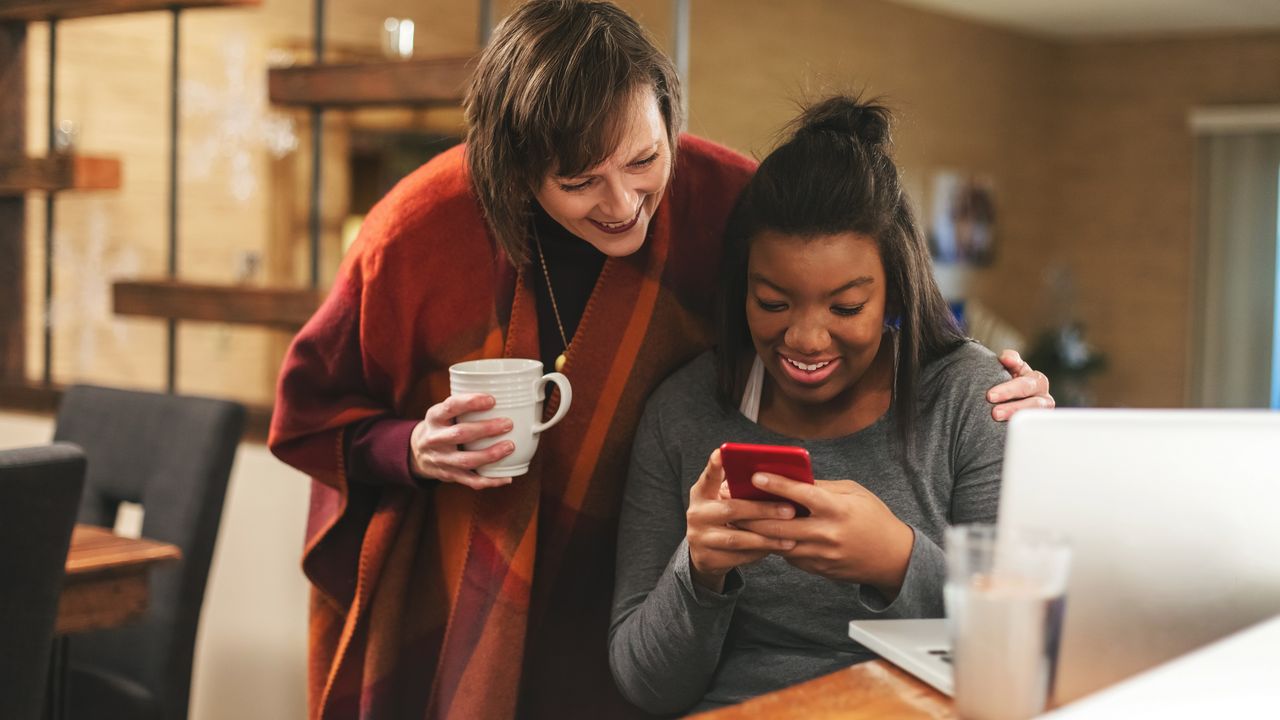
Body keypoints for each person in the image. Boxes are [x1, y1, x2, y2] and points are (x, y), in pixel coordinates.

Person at [268, 2, 1052, 718]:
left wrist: (1006, 394)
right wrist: (410, 447)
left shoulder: (723, 199)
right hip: (495, 558)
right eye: (579, 181)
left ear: (670, 119)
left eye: (643, 159)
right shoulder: (421, 231)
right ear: (512, 171)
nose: (621, 203)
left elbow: (851, 262)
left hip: (642, 587)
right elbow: (311, 412)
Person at [609, 96, 1009, 714]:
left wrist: (897, 559)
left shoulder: (968, 400)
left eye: (846, 308)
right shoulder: (684, 411)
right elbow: (645, 687)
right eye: (772, 302)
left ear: (895, 290)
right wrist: (700, 571)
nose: (805, 340)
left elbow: (1018, 643)